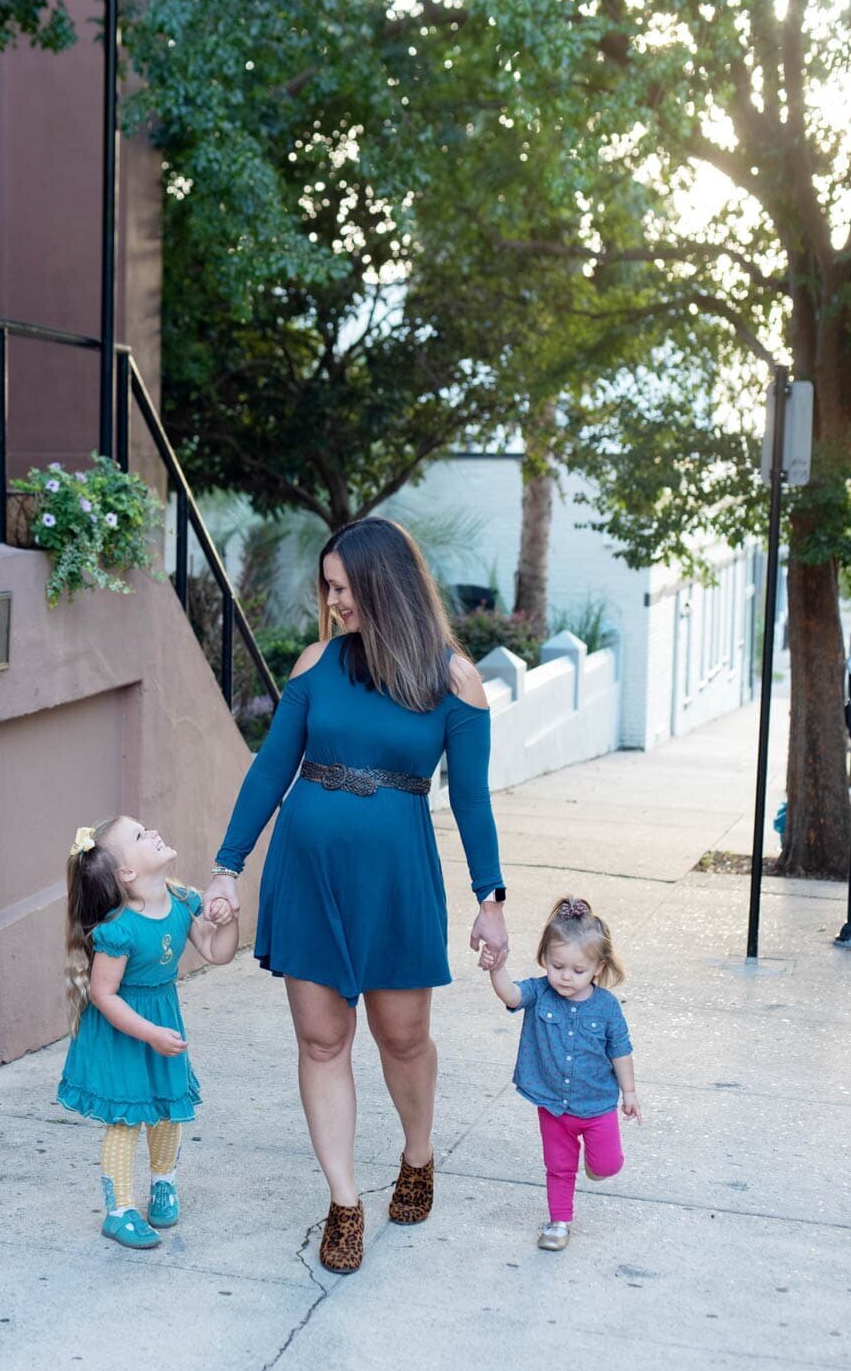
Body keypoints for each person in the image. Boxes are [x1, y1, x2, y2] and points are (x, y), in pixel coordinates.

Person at [203, 517, 508, 1273]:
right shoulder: (315, 664)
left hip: (397, 880)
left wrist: (490, 895)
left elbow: (470, 800)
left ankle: (418, 1152)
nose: (332, 601)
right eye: (327, 587)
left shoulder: (451, 680)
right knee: (320, 1040)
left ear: (381, 584)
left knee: (401, 1036)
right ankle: (343, 1201)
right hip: (306, 873)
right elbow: (270, 769)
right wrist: (226, 866)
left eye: (341, 587)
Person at [58, 816, 238, 1248]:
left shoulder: (180, 901)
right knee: (127, 1118)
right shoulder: (119, 930)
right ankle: (119, 1211)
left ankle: (163, 1183)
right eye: (140, 836)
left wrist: (228, 920)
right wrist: (150, 1033)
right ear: (127, 873)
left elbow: (216, 952)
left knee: (166, 1108)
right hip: (125, 1028)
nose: (154, 832)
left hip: (161, 1020)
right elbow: (105, 995)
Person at [481, 895, 641, 1252]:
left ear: (598, 967)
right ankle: (558, 1222)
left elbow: (620, 1049)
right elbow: (510, 995)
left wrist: (629, 1093)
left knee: (607, 1165)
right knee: (558, 1166)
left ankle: (596, 1166)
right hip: (553, 1104)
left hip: (597, 1104)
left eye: (578, 970)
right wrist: (496, 967)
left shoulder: (607, 1007)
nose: (565, 977)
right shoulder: (540, 993)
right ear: (546, 960)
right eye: (557, 966)